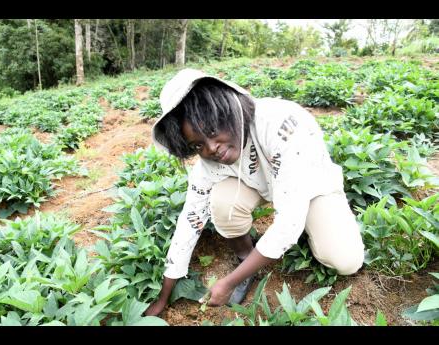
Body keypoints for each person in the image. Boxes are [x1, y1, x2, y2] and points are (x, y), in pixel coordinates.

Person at [144, 68, 365, 316]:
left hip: (312, 185)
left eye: (213, 131)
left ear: (226, 109)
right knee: (222, 204)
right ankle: (246, 256)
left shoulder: (280, 124)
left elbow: (287, 225)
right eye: (198, 145)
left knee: (345, 261)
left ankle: (313, 227)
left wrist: (229, 282)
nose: (212, 148)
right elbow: (190, 221)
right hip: (260, 185)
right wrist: (163, 297)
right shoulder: (209, 163)